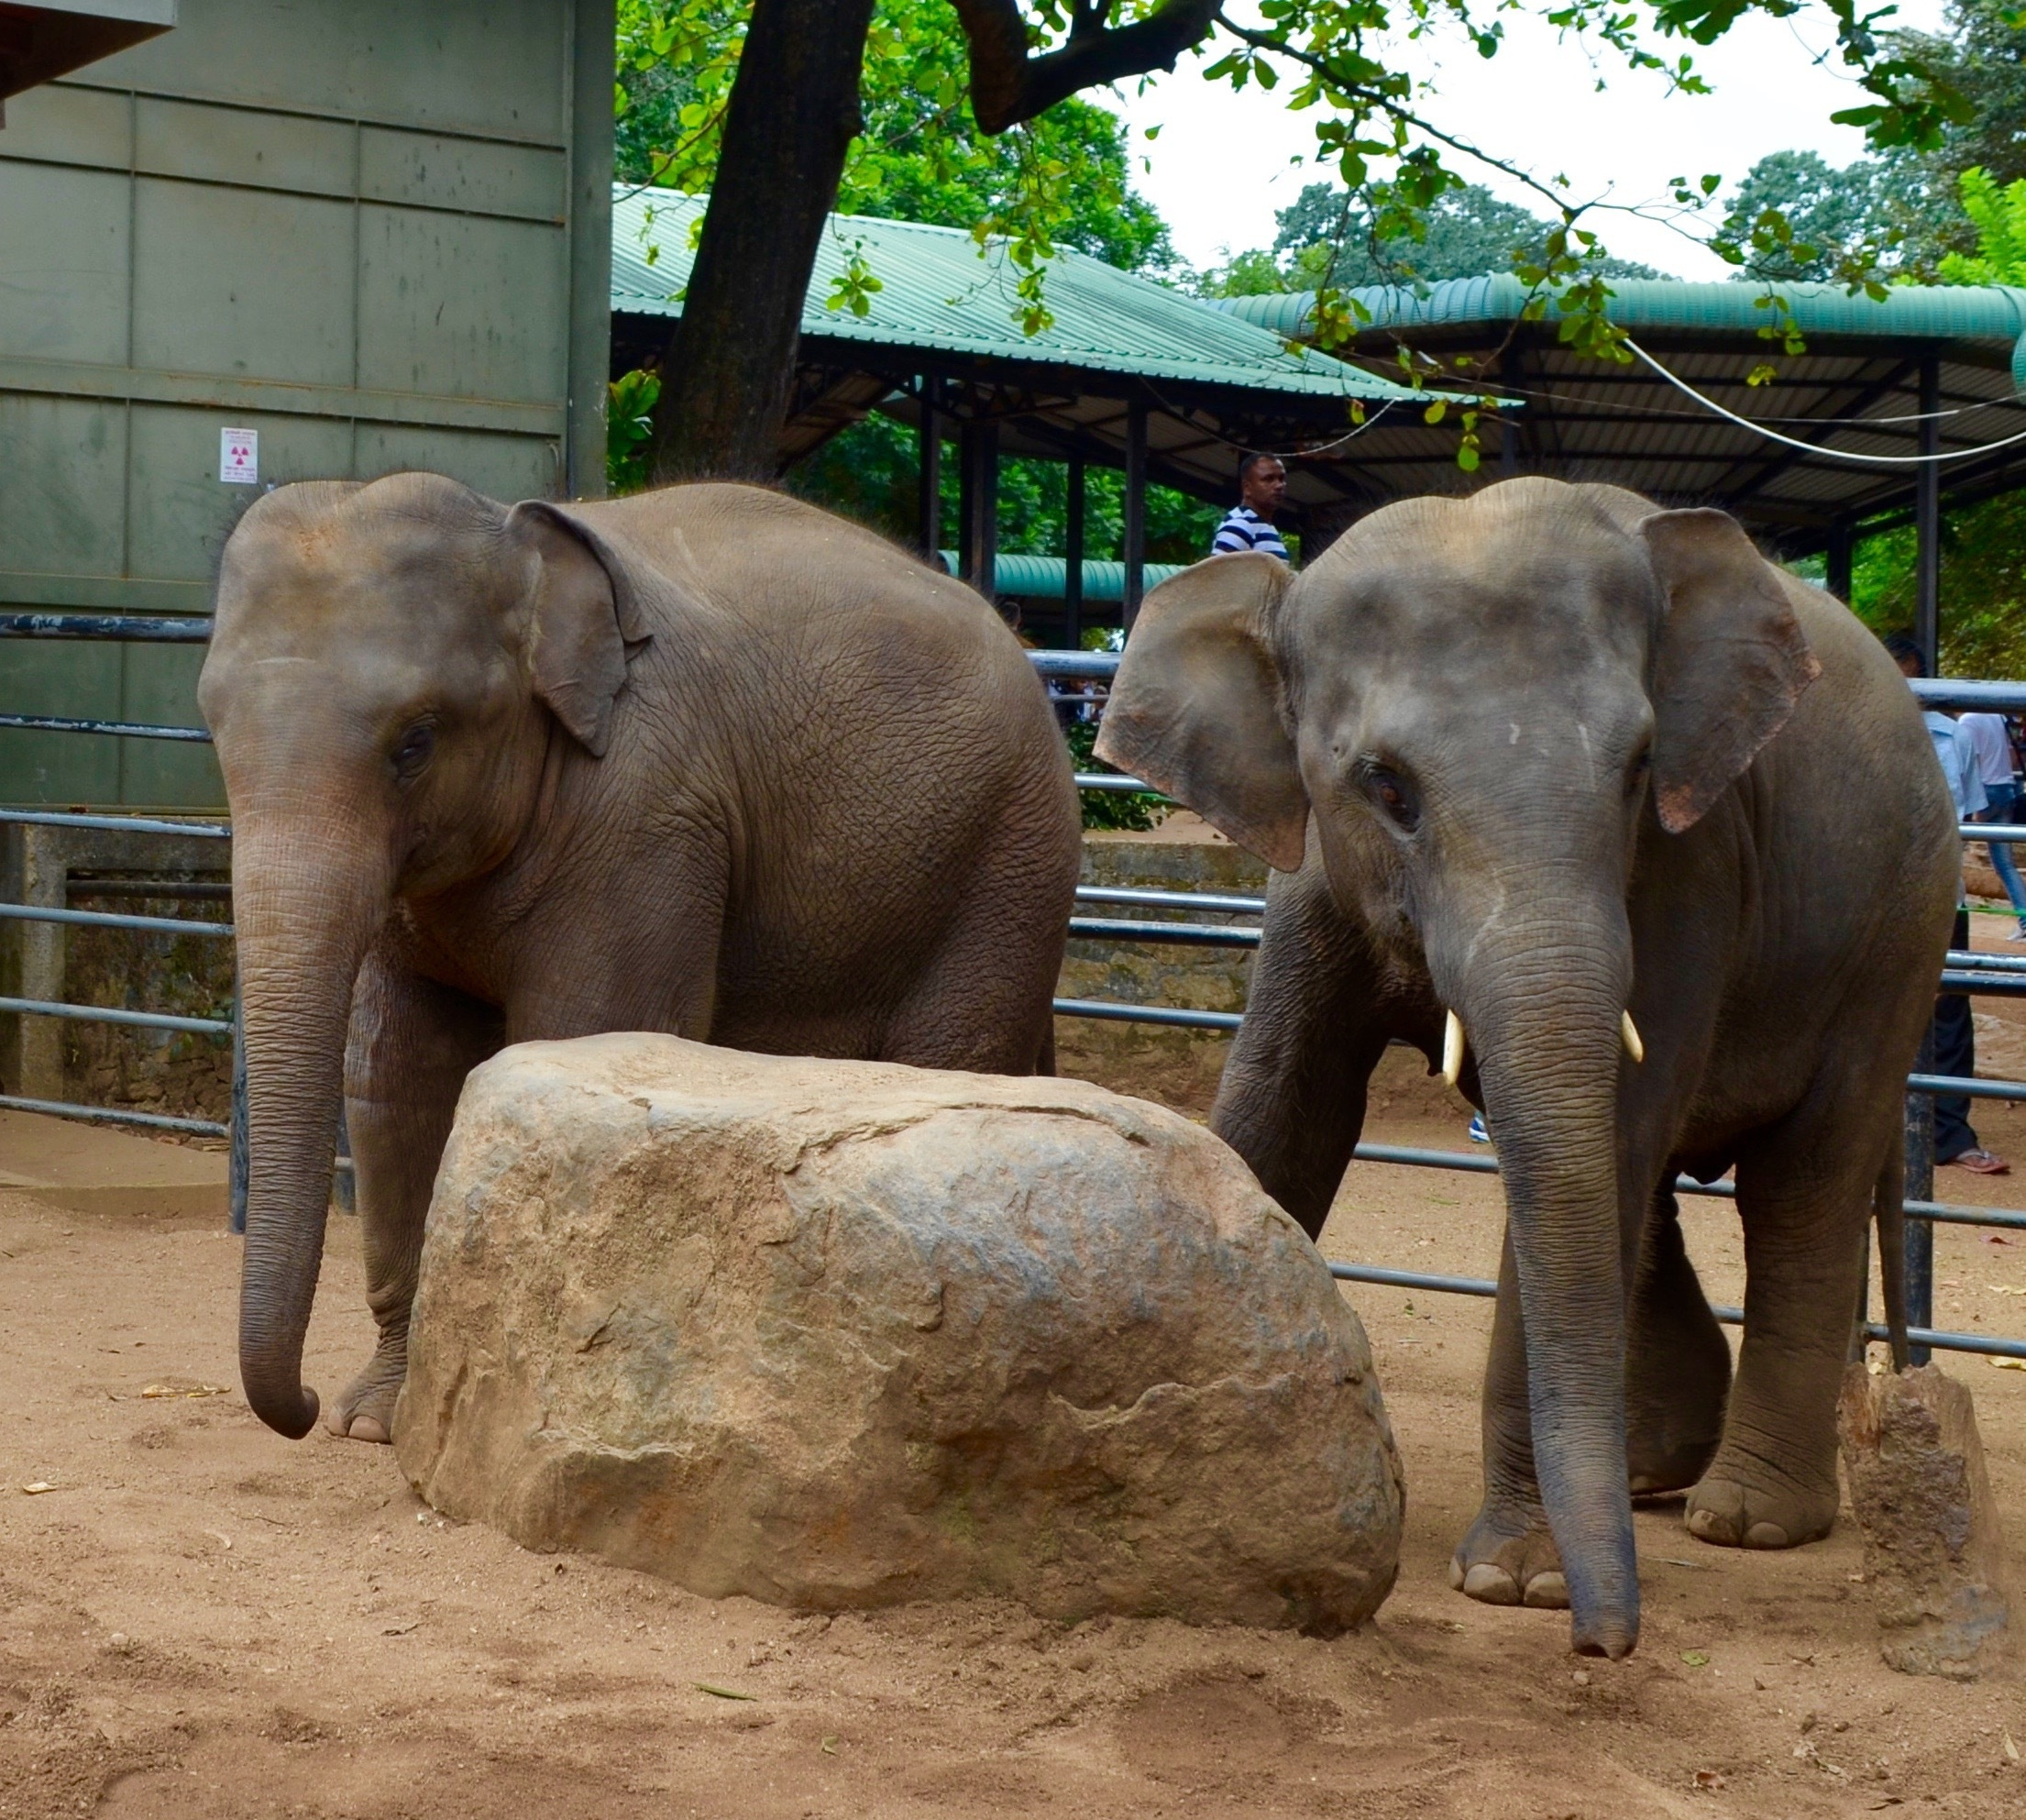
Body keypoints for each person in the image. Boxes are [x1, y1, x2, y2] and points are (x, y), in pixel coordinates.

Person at [1888, 633, 2009, 1174]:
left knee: (1951, 1007)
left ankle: (1948, 1133)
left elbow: (1973, 817)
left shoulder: (1953, 737)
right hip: (1868, 903)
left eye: (1913, 679)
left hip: (1940, 896)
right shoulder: (1845, 738)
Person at [1959, 707, 2026, 940]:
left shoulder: (1968, 720)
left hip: (1983, 792)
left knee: (1953, 852)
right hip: (2005, 789)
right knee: (2005, 865)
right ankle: (2025, 920)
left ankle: (1954, 918)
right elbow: (2009, 754)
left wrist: (1974, 805)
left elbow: (1970, 762)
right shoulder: (1995, 715)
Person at [1212, 454, 1290, 561]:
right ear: (1247, 488)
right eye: (1268, 479)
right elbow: (1217, 575)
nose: (1279, 485)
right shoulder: (1239, 525)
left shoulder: (1264, 526)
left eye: (1281, 479)